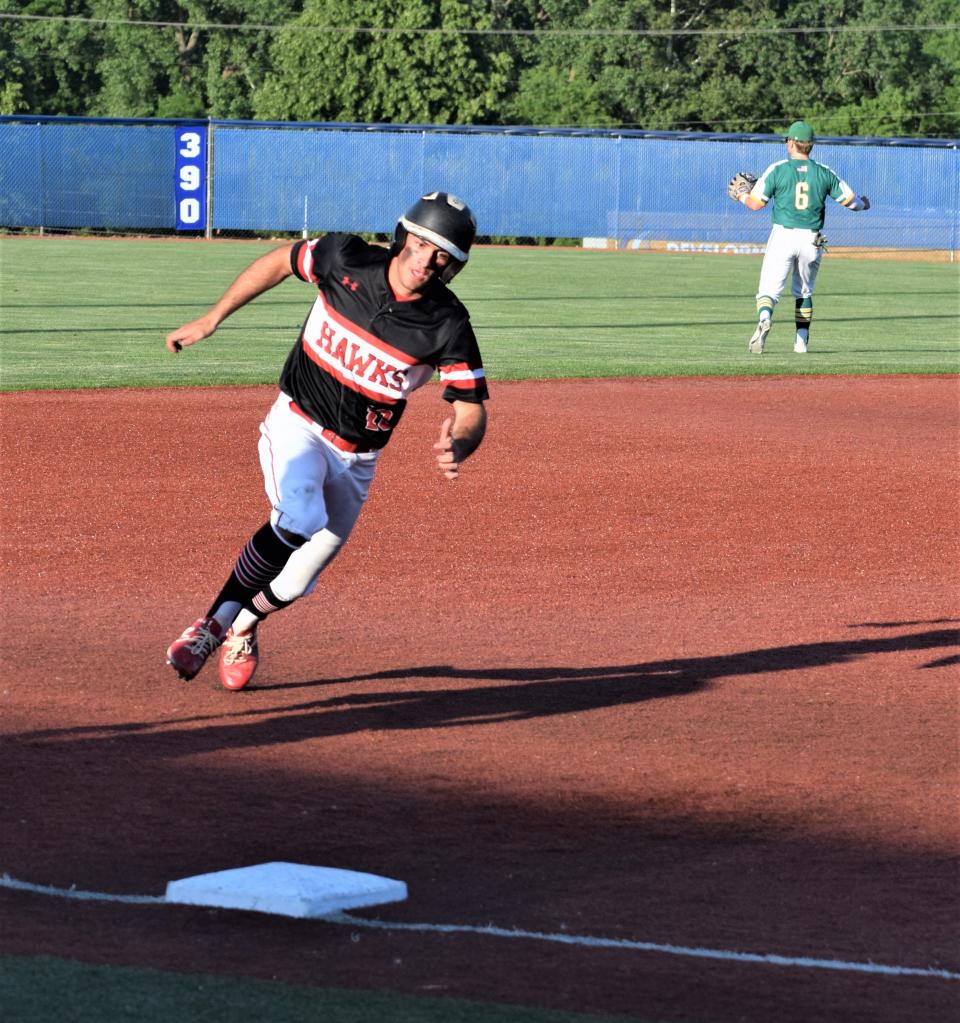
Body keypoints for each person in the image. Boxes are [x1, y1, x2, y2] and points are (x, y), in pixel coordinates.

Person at [163, 191, 488, 690]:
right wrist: (213, 317)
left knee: (296, 580)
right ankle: (213, 624)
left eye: (442, 252)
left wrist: (460, 443)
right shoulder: (345, 257)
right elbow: (280, 261)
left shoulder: (447, 323)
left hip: (357, 460)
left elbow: (471, 408)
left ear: (453, 265)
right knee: (300, 516)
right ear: (404, 235)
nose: (427, 258)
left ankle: (245, 625)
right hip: (297, 424)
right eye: (421, 241)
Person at [735, 120, 871, 354]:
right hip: (811, 239)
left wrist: (740, 195)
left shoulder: (778, 169)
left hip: (783, 236)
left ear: (791, 143)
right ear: (810, 146)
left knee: (768, 291)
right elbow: (851, 202)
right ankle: (801, 342)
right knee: (804, 292)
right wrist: (864, 204)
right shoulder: (824, 172)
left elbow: (756, 204)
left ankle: (765, 317)